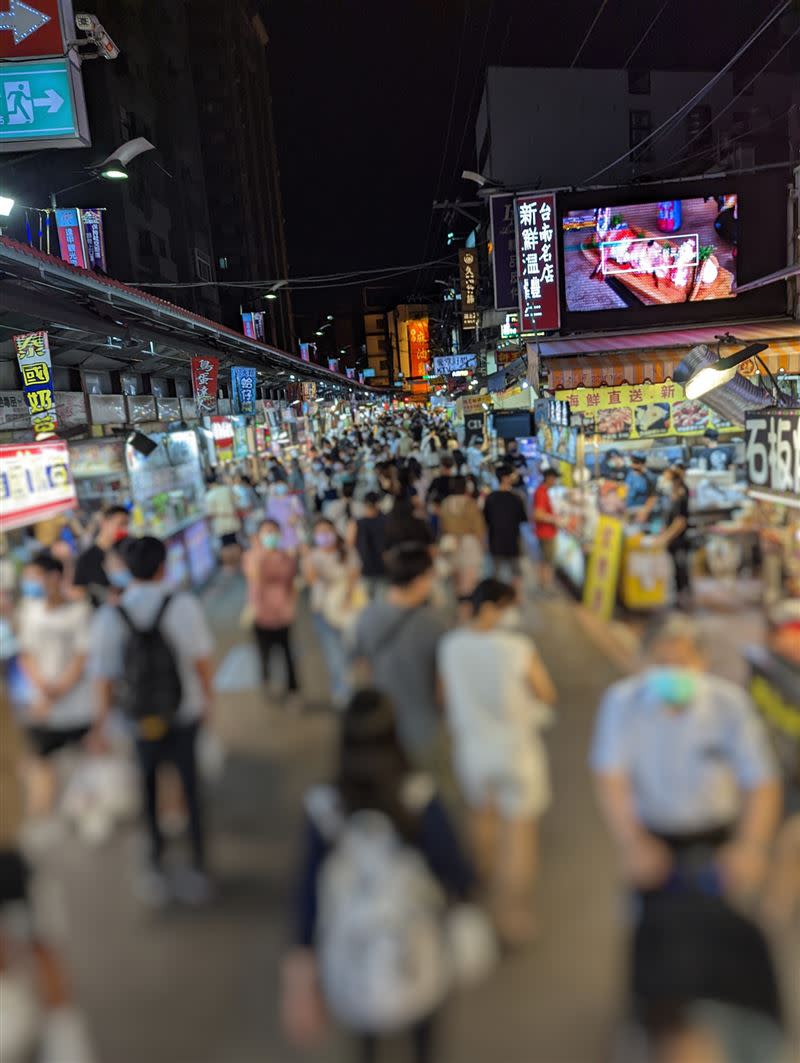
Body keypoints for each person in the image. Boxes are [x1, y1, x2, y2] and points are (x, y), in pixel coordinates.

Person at [281, 689, 475, 1062]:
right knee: (423, 1029)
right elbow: (455, 869)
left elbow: (306, 895)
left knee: (365, 1034)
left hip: (351, 951)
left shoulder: (325, 807)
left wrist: (300, 975)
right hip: (415, 946)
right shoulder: (419, 798)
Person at [590, 613, 781, 901]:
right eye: (661, 663)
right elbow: (610, 775)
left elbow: (761, 780)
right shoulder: (622, 702)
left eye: (682, 662)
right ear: (642, 663)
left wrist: (750, 847)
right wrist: (633, 842)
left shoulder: (729, 704)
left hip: (718, 837)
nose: (672, 672)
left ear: (702, 662)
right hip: (652, 835)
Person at [90, 536, 215, 906]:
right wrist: (208, 703)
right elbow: (202, 663)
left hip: (138, 718)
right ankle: (198, 868)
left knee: (147, 791)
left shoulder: (110, 616)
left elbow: (104, 678)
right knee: (190, 788)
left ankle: (156, 870)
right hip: (183, 711)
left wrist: (102, 725)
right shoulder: (184, 605)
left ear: (126, 572)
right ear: (164, 566)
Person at [439, 580, 556, 946]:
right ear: (490, 607)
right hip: (517, 751)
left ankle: (481, 894)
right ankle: (513, 919)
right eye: (508, 606)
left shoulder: (451, 645)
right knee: (518, 833)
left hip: (473, 751)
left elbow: (441, 695)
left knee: (481, 820)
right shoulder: (519, 647)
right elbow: (545, 693)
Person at [0, 699, 96, 1063]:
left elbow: (27, 762)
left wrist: (36, 814)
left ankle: (64, 1030)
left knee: (39, 938)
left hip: (8, 850)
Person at [351, 545, 448, 769]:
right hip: (425, 724)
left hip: (381, 724)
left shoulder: (366, 616)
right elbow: (443, 686)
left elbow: (361, 668)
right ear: (420, 580)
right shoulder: (435, 624)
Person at [17, 552, 94, 816]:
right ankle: (44, 814)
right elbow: (26, 654)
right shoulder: (30, 611)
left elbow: (83, 656)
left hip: (79, 706)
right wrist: (43, 688)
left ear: (55, 577)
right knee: (40, 762)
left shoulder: (79, 611)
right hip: (44, 706)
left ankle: (85, 809)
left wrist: (60, 688)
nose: (29, 583)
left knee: (86, 765)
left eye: (34, 577)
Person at [243, 519, 300, 705]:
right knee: (263, 654)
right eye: (267, 532)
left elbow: (290, 584)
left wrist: (291, 604)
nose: (271, 536)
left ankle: (293, 691)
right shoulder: (252, 557)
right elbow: (255, 577)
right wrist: (260, 555)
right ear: (258, 536)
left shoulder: (286, 558)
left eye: (274, 531)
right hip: (261, 613)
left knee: (288, 653)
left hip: (283, 613)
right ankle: (266, 684)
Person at [304, 518, 359, 709]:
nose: (324, 536)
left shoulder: (347, 552)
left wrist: (347, 598)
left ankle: (345, 688)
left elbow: (354, 577)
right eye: (319, 532)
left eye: (327, 531)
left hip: (347, 611)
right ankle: (343, 695)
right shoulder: (312, 556)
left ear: (335, 532)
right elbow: (311, 580)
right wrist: (309, 560)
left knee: (348, 652)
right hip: (322, 612)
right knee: (334, 654)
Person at [439, 476, 486, 604]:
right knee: (470, 582)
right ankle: (468, 609)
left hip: (451, 543)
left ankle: (460, 606)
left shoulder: (445, 503)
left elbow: (442, 526)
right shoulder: (470, 503)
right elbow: (479, 529)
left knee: (457, 580)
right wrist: (482, 546)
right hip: (470, 543)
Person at [73, 504, 129, 606]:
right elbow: (79, 591)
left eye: (126, 524)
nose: (124, 529)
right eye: (121, 524)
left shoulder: (126, 551)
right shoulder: (86, 559)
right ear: (104, 523)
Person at [483, 464, 529, 583]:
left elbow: (486, 520)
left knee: (495, 573)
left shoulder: (490, 498)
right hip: (513, 540)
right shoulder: (517, 498)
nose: (514, 477)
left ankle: (496, 597)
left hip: (495, 540)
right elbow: (523, 519)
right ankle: (516, 597)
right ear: (505, 478)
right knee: (516, 572)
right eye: (511, 475)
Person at [654, 463, 692, 605]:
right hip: (673, 538)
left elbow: (680, 521)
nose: (664, 481)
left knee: (681, 567)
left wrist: (666, 537)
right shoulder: (674, 493)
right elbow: (670, 516)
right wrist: (663, 530)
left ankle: (684, 597)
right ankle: (679, 595)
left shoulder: (682, 493)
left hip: (679, 539)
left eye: (666, 478)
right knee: (676, 569)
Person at [350, 492, 387, 597]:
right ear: (378, 503)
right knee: (382, 601)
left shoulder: (357, 523)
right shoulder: (386, 520)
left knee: (367, 601)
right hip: (383, 567)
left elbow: (349, 544)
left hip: (364, 566)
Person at [532, 468, 561, 593]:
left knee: (545, 560)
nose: (555, 481)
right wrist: (555, 519)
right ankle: (545, 585)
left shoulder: (544, 491)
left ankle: (544, 584)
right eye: (554, 478)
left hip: (546, 531)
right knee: (547, 561)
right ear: (549, 478)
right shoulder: (542, 492)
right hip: (546, 532)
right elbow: (538, 514)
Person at [204, 472, 241, 567]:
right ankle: (238, 563)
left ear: (208, 484)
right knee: (234, 541)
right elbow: (237, 500)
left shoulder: (209, 495)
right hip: (232, 520)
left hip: (221, 524)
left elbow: (210, 513)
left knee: (225, 544)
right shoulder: (227, 490)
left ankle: (229, 565)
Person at [625, 452, 656, 524]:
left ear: (642, 464)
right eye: (632, 462)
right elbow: (626, 489)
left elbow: (653, 497)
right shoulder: (630, 474)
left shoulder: (649, 477)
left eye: (635, 462)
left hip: (641, 510)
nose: (633, 465)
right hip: (628, 509)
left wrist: (645, 512)